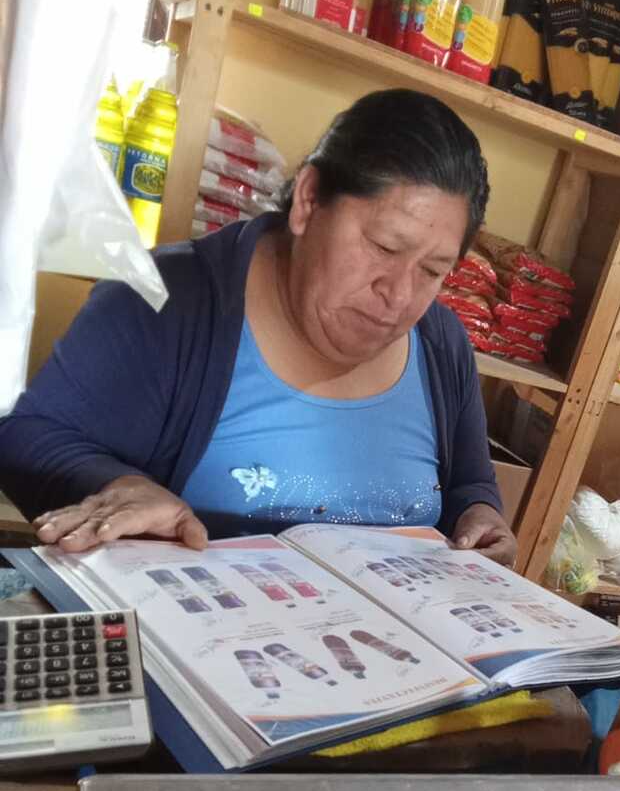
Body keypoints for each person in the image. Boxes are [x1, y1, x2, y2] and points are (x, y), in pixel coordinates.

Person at [0, 89, 517, 566]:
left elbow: (468, 483)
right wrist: (119, 485)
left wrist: (479, 514)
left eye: (432, 271)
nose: (400, 294)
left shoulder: (440, 344)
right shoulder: (165, 300)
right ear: (309, 201)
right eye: (384, 246)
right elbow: (27, 434)